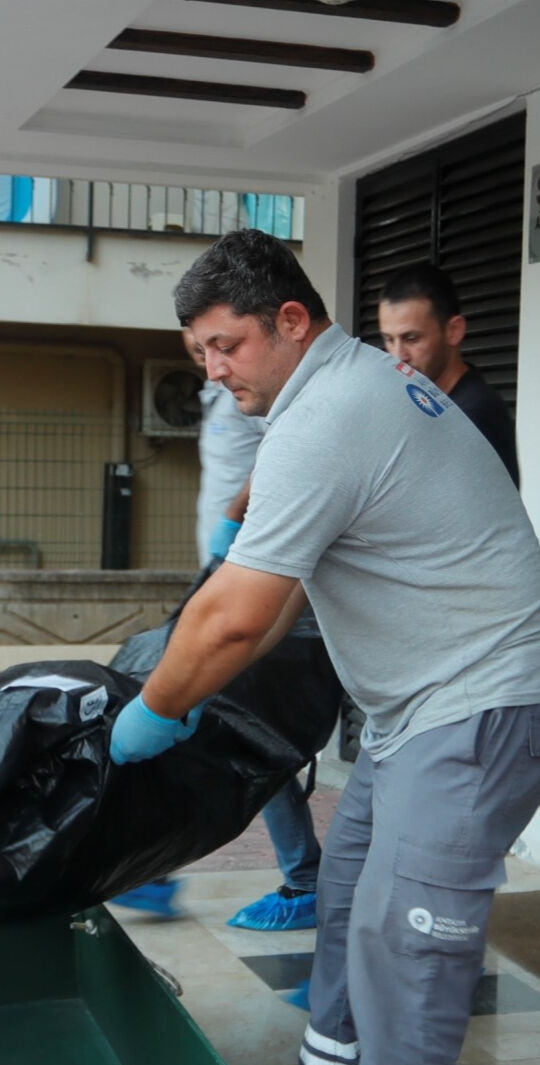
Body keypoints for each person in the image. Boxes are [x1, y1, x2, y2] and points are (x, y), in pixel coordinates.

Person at [112, 230, 540, 1065]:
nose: (214, 371)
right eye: (198, 353)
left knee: (404, 940)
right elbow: (275, 585)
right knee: (348, 899)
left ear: (292, 322)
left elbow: (241, 616)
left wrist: (154, 710)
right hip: (418, 705)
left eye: (226, 345)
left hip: (484, 700)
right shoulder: (342, 394)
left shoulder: (328, 410)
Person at [114, 327, 326, 934]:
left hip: (259, 581)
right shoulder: (220, 381)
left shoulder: (267, 386)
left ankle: (302, 879)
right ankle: (296, 875)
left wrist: (233, 527)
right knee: (239, 729)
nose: (208, 359)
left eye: (216, 342)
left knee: (240, 728)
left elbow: (280, 463)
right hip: (230, 572)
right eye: (198, 346)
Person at [376, 263, 520, 484]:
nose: (398, 356)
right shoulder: (428, 405)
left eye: (412, 339)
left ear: (454, 331)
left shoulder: (472, 415)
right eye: (389, 339)